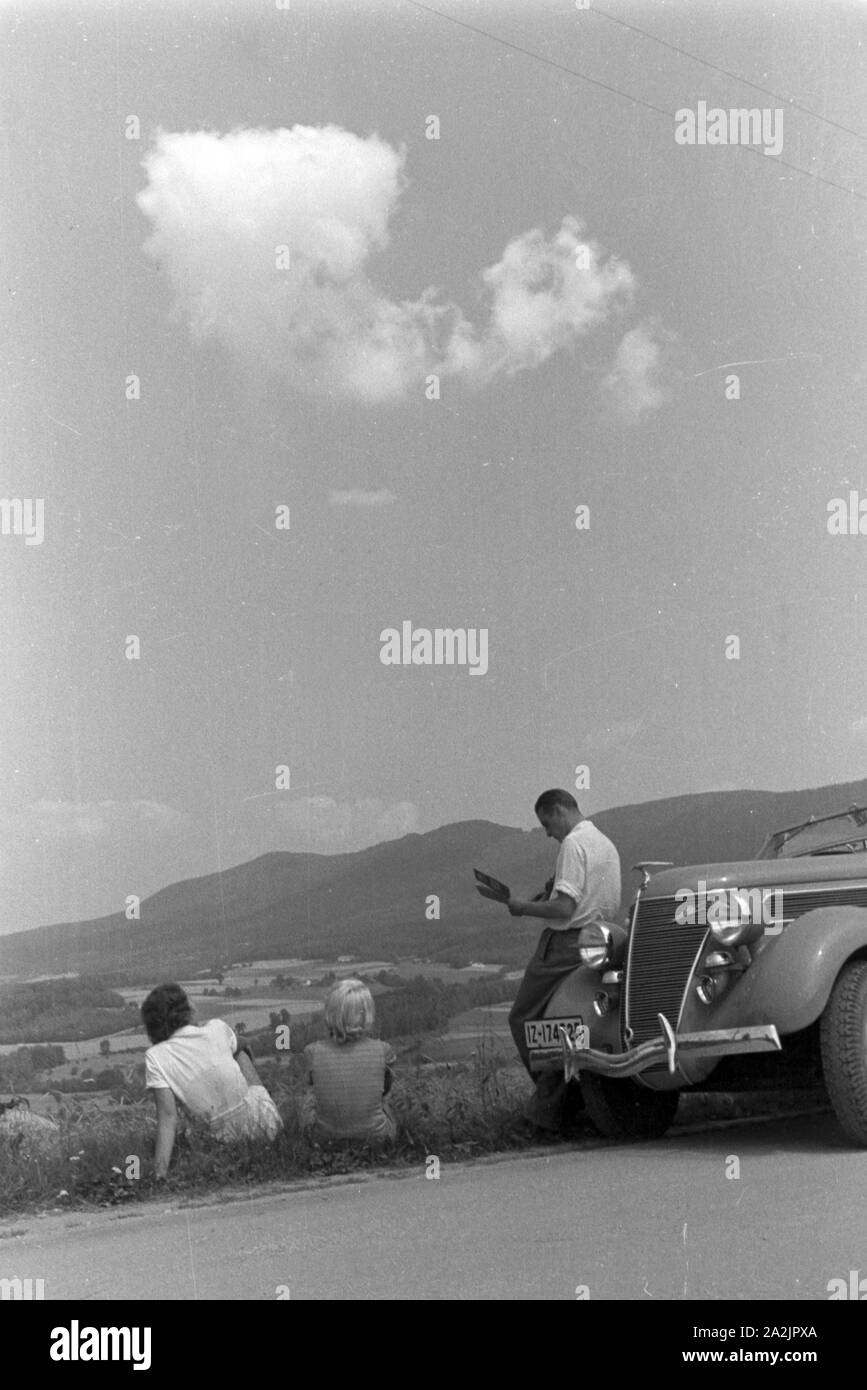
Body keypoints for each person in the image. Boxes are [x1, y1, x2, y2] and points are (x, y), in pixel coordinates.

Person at [504, 790, 621, 1131]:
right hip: (601, 942)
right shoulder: (606, 845)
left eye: (546, 823)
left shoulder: (572, 844)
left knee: (525, 1018)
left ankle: (553, 1106)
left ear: (558, 810)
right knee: (572, 1025)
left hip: (566, 944)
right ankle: (559, 1107)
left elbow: (564, 910)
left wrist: (522, 907)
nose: (547, 833)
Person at [141, 983, 283, 1180]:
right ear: (187, 1010)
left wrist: (159, 1173)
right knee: (239, 1048)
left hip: (216, 1145)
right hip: (267, 1127)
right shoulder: (218, 1027)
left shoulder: (155, 1057)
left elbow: (167, 1117)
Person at [301, 979, 396, 1144]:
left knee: (308, 1097)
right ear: (367, 1013)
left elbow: (310, 1088)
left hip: (323, 1138)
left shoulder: (312, 1052)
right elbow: (386, 1091)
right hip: (379, 1137)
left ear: (330, 1013)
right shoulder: (384, 1050)